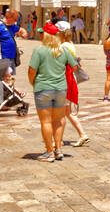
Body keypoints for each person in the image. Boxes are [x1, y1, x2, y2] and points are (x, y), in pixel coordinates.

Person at [29, 23, 77, 162]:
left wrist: (33, 82)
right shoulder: (64, 50)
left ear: (46, 35)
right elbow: (74, 66)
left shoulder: (39, 50)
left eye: (42, 33)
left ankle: (49, 152)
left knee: (46, 121)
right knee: (59, 120)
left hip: (43, 88)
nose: (40, 35)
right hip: (60, 89)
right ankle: (58, 149)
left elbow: (32, 70)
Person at [60, 33, 89, 146]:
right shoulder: (70, 45)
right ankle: (82, 135)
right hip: (70, 80)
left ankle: (59, 140)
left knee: (63, 112)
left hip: (66, 81)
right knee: (67, 112)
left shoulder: (63, 47)